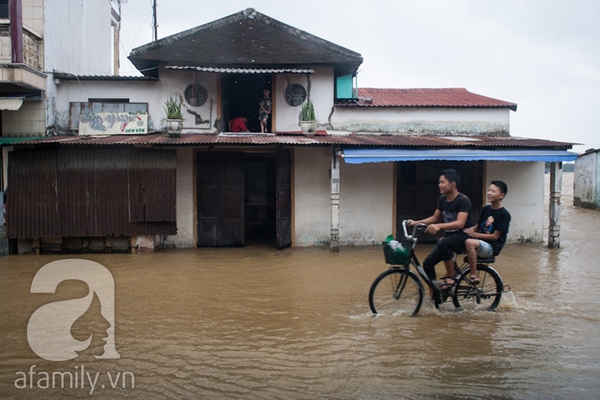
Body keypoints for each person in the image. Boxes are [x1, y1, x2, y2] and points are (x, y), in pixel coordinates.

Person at [407, 169, 472, 290]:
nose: (439, 185)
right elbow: (435, 217)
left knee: (443, 243)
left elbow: (460, 223)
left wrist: (439, 226)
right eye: (439, 182)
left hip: (463, 236)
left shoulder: (463, 200)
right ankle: (434, 294)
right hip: (449, 237)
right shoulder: (443, 199)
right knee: (428, 264)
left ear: (452, 184)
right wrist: (415, 223)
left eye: (442, 182)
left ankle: (451, 276)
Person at [463, 181, 511, 284]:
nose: (489, 193)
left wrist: (475, 235)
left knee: (469, 242)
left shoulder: (504, 214)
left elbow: (495, 237)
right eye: (488, 190)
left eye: (493, 191)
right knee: (450, 240)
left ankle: (473, 275)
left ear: (501, 195)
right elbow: (476, 228)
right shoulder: (486, 209)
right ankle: (452, 275)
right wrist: (462, 232)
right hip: (480, 242)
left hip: (492, 247)